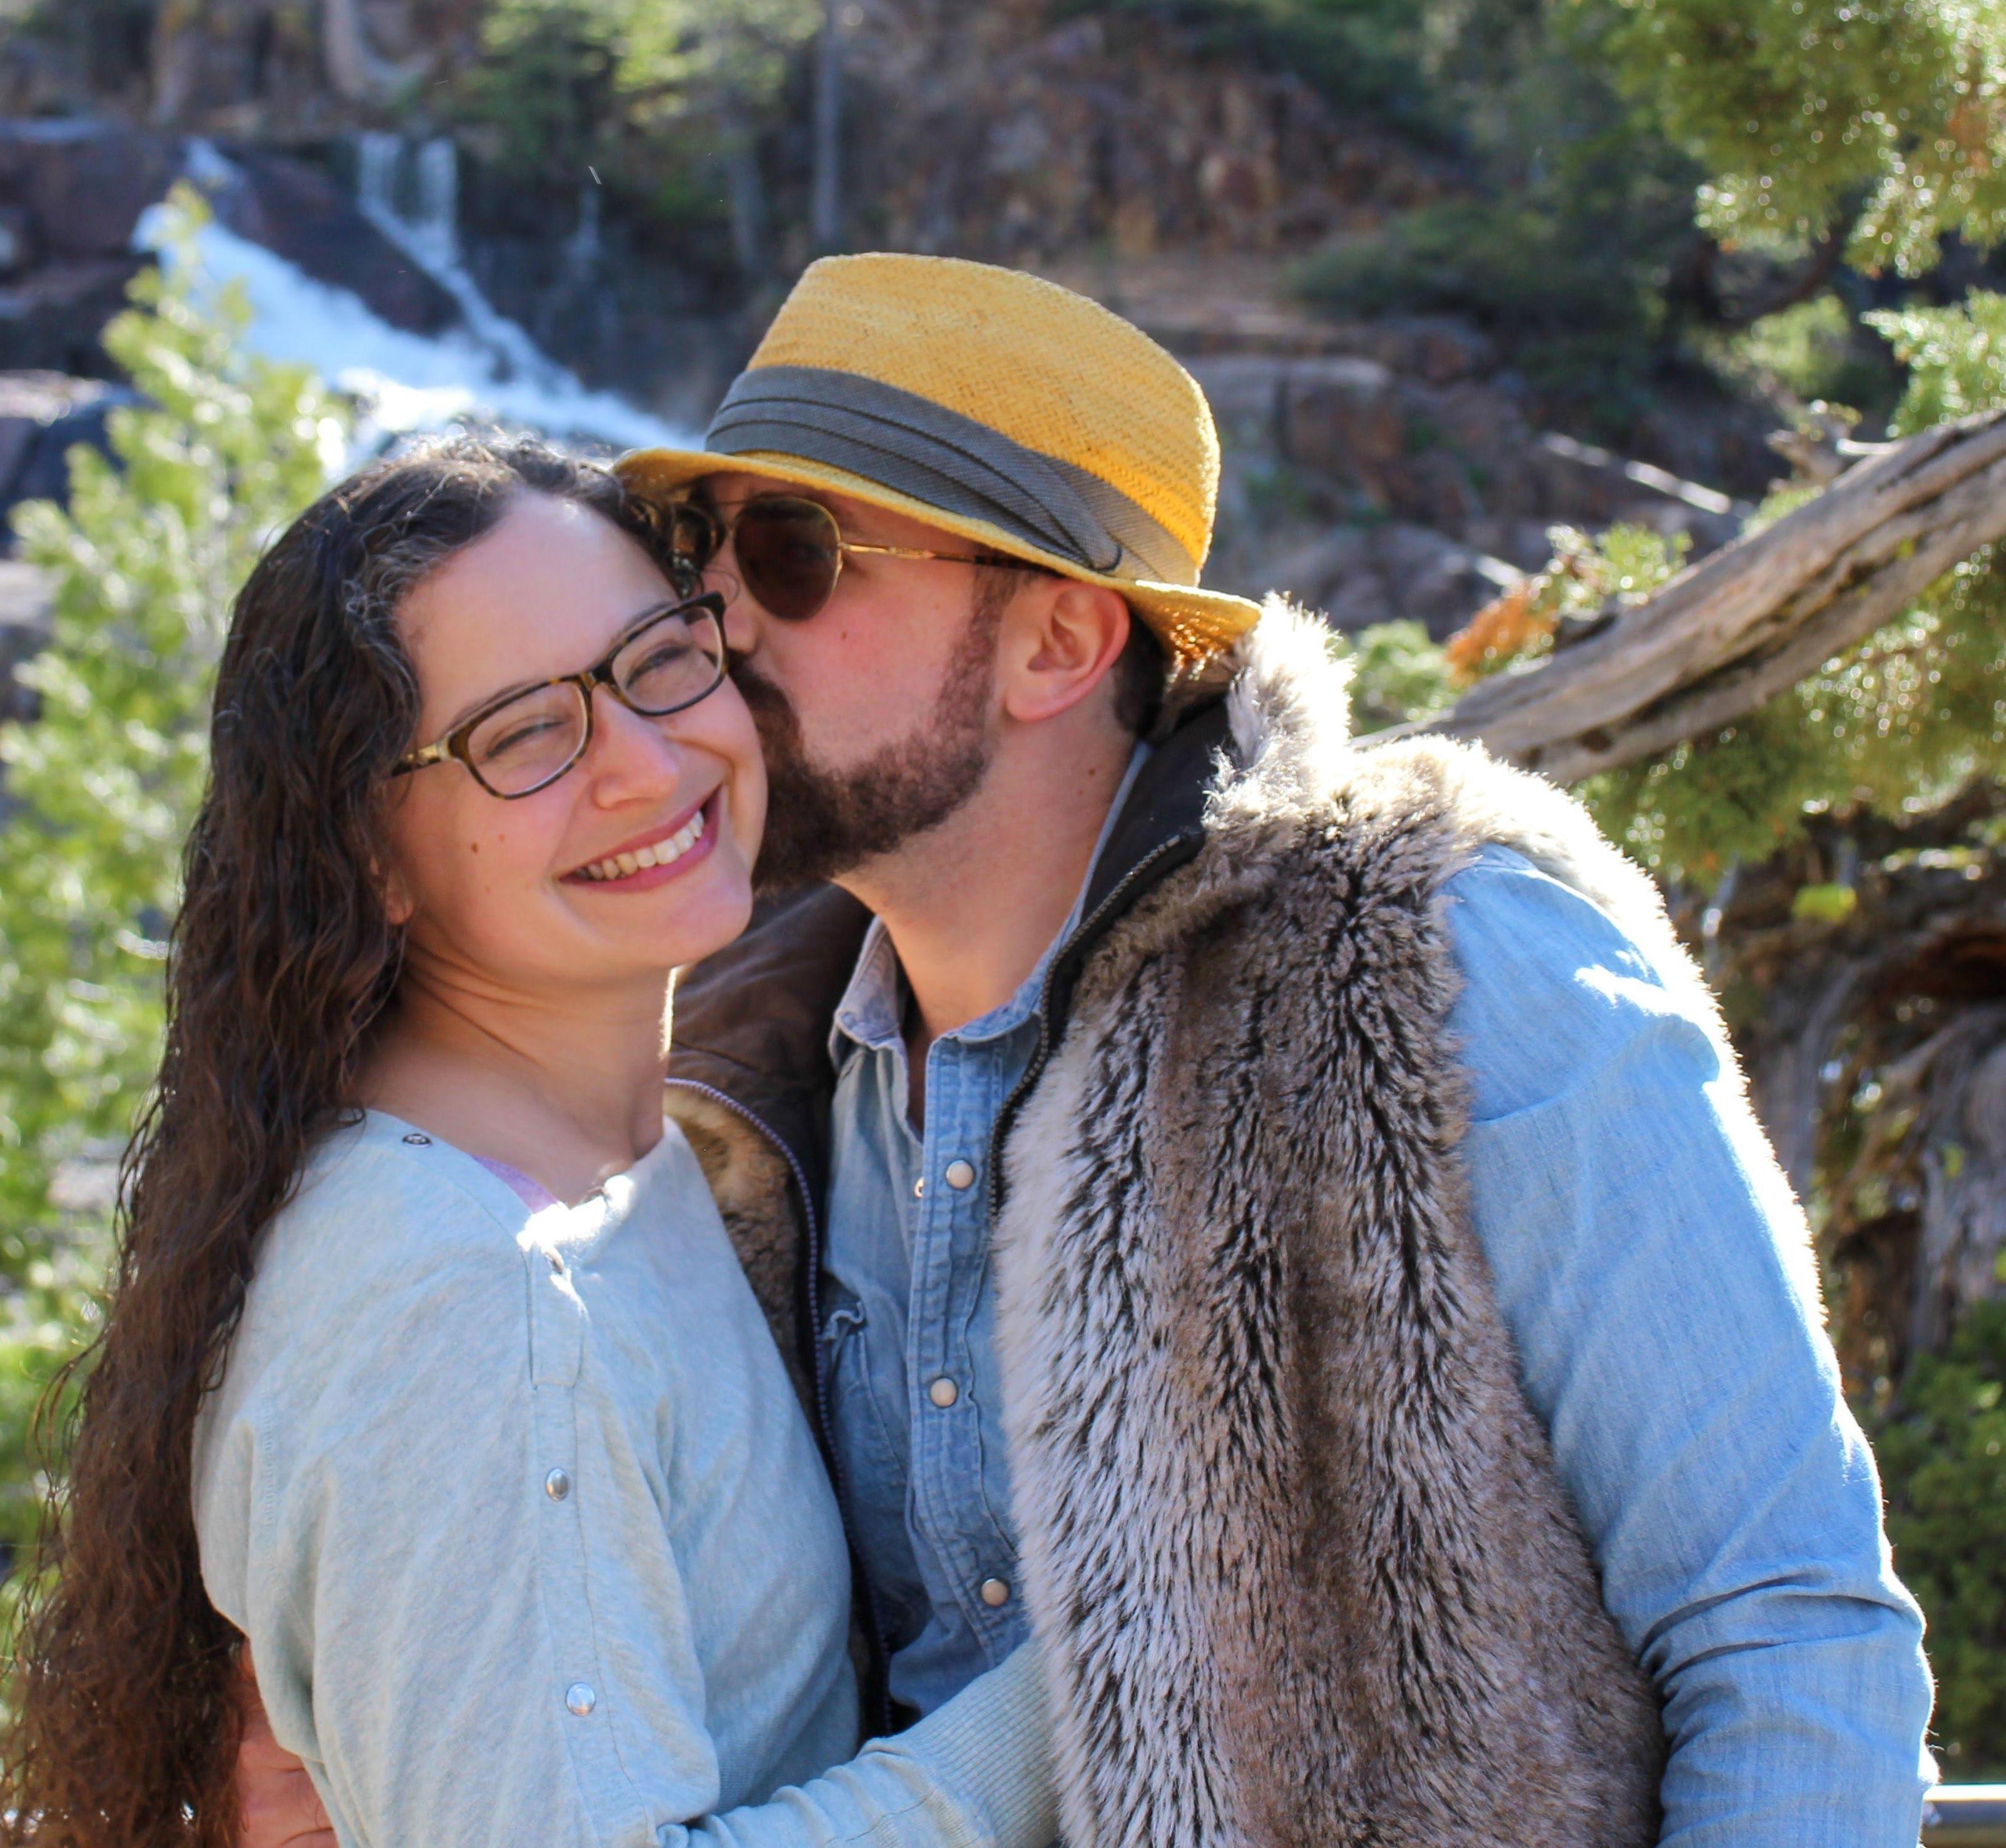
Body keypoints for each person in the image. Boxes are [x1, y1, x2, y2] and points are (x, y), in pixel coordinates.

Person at [239, 257, 1935, 1847]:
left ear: (1059, 641)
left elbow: (1790, 1633)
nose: (717, 628)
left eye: (798, 555)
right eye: (698, 557)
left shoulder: (1443, 956)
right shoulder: (736, 1091)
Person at [0, 436, 1058, 1848]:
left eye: (660, 660)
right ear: (369, 855)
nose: (645, 764)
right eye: (526, 734)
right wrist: (1094, 1671)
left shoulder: (638, 1168)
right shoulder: (474, 1295)